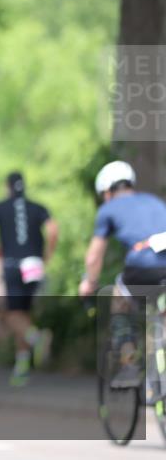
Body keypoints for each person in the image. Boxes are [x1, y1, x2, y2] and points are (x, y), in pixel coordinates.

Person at [78, 161, 166, 388]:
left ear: (107, 192)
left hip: (142, 268)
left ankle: (129, 365)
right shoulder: (155, 202)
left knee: (120, 299)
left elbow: (93, 257)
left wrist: (90, 283)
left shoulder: (108, 209)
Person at [0, 172, 58, 385]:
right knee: (23, 315)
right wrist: (47, 255)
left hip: (13, 264)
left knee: (9, 314)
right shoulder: (38, 207)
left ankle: (37, 339)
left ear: (7, 187)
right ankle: (21, 368)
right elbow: (53, 230)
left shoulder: (0, 207)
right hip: (34, 265)